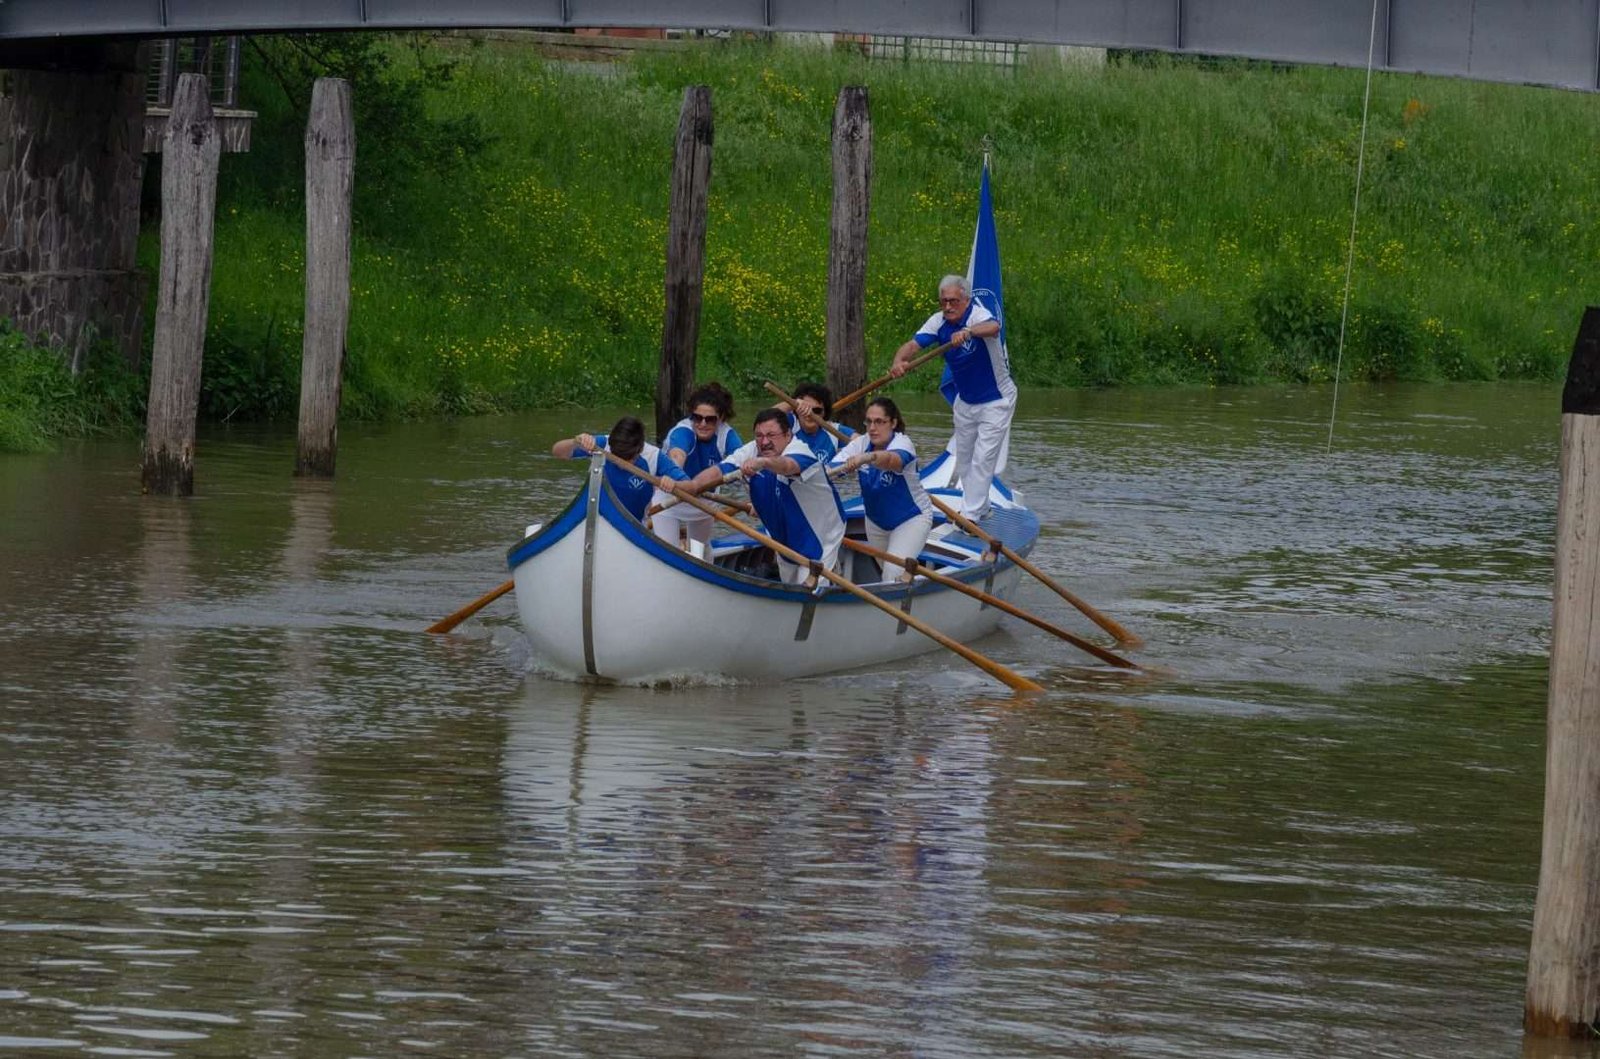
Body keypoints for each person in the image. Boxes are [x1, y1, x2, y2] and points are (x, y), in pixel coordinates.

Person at [890, 274, 1011, 521]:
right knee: (964, 460)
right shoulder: (938, 321)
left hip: (996, 400)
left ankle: (970, 516)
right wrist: (899, 362)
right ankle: (981, 506)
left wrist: (968, 332)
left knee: (983, 458)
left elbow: (994, 327)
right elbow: (912, 345)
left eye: (954, 301)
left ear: (966, 300)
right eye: (943, 301)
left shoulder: (977, 315)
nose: (948, 307)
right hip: (965, 401)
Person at [690, 408, 845, 587]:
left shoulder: (801, 451)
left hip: (820, 538)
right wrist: (692, 486)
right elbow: (719, 470)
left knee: (808, 591)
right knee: (790, 588)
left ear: (788, 435)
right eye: (759, 436)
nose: (764, 442)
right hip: (785, 539)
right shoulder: (752, 450)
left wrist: (763, 462)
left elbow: (786, 466)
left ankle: (831, 582)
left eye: (771, 435)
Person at [831, 397, 933, 580]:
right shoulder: (861, 443)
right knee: (888, 573)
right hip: (875, 523)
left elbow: (891, 461)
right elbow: (831, 470)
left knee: (893, 573)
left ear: (893, 423)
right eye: (868, 421)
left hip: (910, 519)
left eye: (879, 422)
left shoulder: (903, 443)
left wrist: (866, 458)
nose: (872, 428)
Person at [550, 416, 688, 523]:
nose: (621, 464)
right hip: (594, 520)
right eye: (617, 456)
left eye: (628, 458)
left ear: (640, 449)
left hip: (635, 526)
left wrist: (673, 484)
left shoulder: (654, 456)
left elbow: (690, 486)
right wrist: (575, 441)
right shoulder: (601, 444)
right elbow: (557, 451)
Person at [654, 382, 740, 546]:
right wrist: (674, 477)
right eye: (697, 417)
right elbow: (677, 455)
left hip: (703, 502)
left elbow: (745, 464)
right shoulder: (683, 431)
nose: (702, 424)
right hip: (669, 498)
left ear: (721, 418)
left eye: (710, 419)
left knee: (700, 552)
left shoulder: (727, 436)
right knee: (666, 549)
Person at [779, 381, 853, 463]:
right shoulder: (789, 424)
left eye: (817, 410)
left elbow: (863, 442)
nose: (810, 414)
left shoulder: (833, 430)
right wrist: (793, 403)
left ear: (824, 412)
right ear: (796, 410)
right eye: (805, 408)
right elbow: (766, 418)